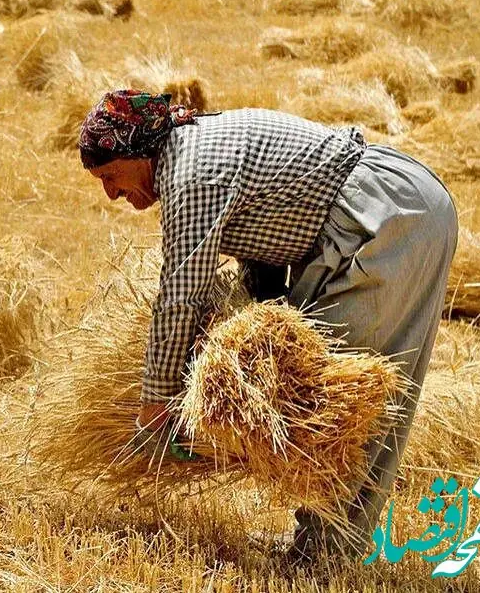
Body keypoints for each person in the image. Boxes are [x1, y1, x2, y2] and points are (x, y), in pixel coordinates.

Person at [77, 89, 458, 565]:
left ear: (140, 152)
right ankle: (323, 546)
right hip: (391, 206)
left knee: (337, 398)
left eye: (110, 176)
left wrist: (156, 403)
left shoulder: (191, 174)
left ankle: (326, 557)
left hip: (390, 217)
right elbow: (265, 234)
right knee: (325, 394)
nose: (111, 193)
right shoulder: (191, 149)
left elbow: (181, 295)